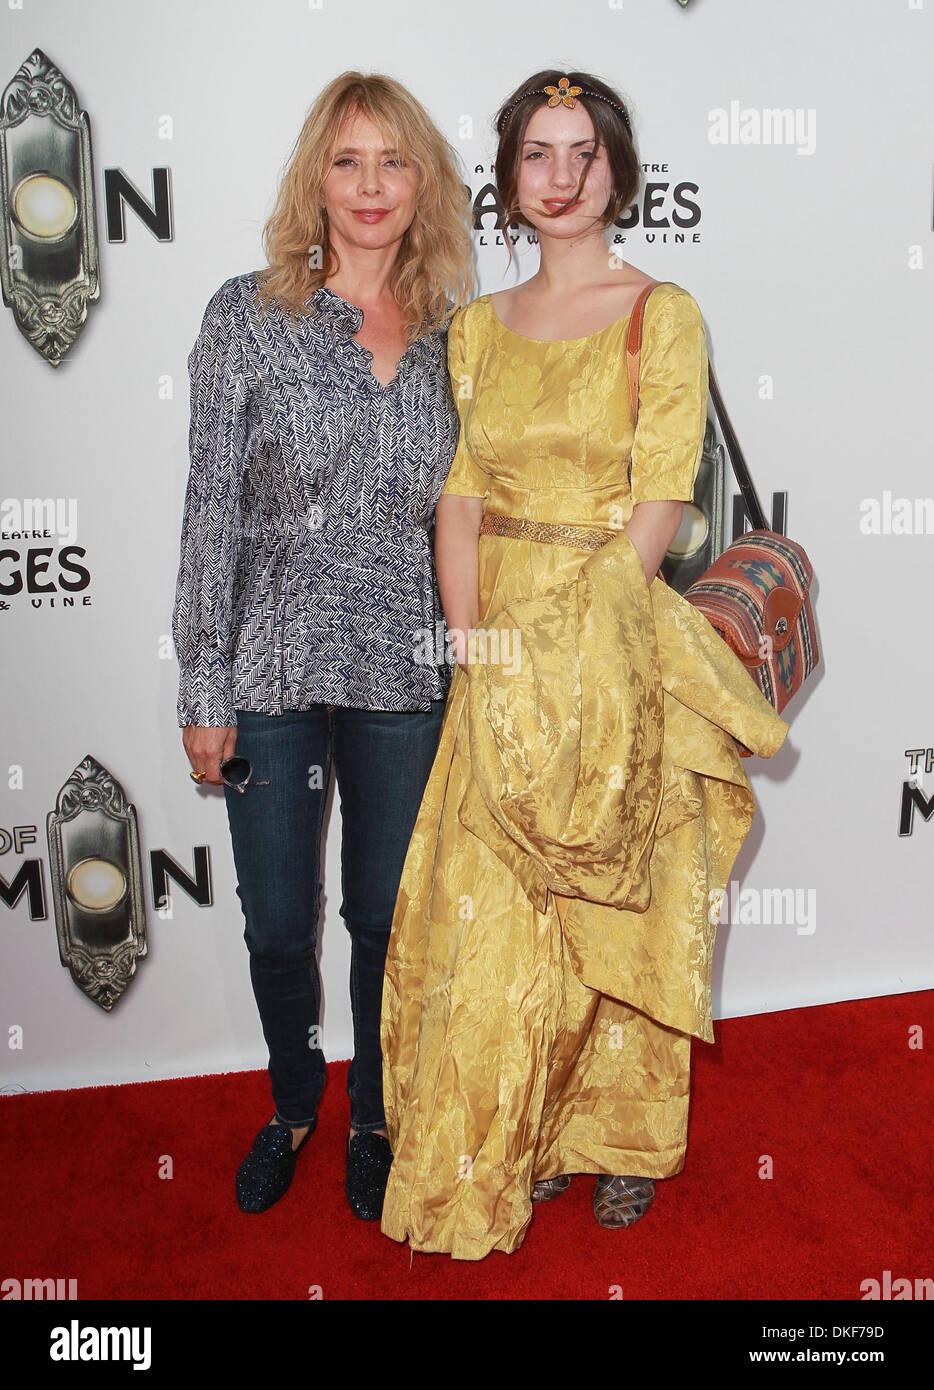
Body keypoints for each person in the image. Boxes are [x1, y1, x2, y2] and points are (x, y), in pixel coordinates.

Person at [379, 69, 789, 1259]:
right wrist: (476, 647)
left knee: (620, 887)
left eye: (582, 154)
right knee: (505, 907)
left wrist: (583, 646)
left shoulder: (660, 311)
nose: (559, 179)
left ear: (616, 171)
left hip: (609, 635)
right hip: (499, 637)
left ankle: (622, 1138)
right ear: (506, 180)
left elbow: (662, 489)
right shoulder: (474, 328)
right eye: (536, 156)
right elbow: (460, 494)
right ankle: (525, 1127)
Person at [172, 72, 473, 1218]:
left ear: (423, 183)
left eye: (392, 162)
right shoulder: (245, 315)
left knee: (389, 919)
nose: (369, 186)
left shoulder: (459, 335)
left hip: (405, 674)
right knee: (280, 921)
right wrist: (203, 682)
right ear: (315, 177)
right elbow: (208, 510)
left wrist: (480, 661)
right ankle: (295, 1099)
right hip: (271, 669)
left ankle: (378, 1114)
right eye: (347, 161)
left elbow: (467, 514)